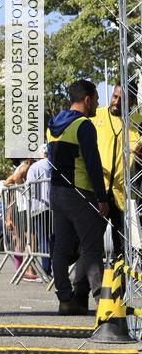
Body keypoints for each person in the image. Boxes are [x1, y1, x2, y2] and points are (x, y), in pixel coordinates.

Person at [47, 79, 109, 315]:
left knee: (61, 248)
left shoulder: (52, 125)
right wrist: (102, 198)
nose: (97, 105)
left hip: (56, 192)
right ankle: (103, 304)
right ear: (87, 99)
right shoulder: (84, 126)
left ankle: (66, 300)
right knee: (92, 248)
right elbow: (93, 164)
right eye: (96, 99)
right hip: (80, 192)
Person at [92, 83, 142, 260]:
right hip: (98, 191)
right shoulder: (96, 115)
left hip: (123, 195)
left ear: (132, 101)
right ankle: (88, 285)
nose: (116, 102)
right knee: (91, 242)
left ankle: (122, 285)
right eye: (115, 96)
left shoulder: (138, 121)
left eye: (122, 99)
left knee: (122, 244)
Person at [3, 159, 39, 281]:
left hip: (21, 208)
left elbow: (9, 188)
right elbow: (8, 183)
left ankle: (19, 269)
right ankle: (29, 270)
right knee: (31, 239)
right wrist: (19, 183)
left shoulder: (21, 167)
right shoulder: (25, 166)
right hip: (24, 208)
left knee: (21, 241)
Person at [26, 146, 52, 276]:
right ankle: (57, 269)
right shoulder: (55, 165)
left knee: (43, 240)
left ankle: (46, 271)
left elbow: (29, 188)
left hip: (38, 207)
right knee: (54, 239)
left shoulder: (34, 167)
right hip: (54, 207)